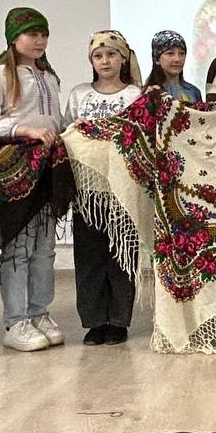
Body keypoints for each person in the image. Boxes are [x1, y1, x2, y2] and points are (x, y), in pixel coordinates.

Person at [0, 7, 64, 354]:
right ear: (14, 37)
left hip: (47, 168)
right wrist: (23, 129)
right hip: (15, 168)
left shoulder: (49, 77)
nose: (39, 41)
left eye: (44, 34)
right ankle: (16, 320)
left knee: (44, 247)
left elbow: (55, 121)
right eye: (32, 34)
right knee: (19, 247)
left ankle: (39, 312)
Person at [64, 30, 143, 345]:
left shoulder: (135, 95)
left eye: (111, 54)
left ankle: (118, 321)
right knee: (89, 256)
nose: (105, 61)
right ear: (91, 61)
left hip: (123, 190)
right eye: (98, 56)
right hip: (87, 192)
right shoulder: (79, 94)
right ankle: (95, 322)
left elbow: (141, 137)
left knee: (122, 254)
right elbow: (67, 133)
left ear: (123, 58)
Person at [144, 30, 202, 102]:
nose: (177, 59)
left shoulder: (193, 92)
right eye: (170, 53)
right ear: (157, 59)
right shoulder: (151, 92)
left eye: (181, 53)